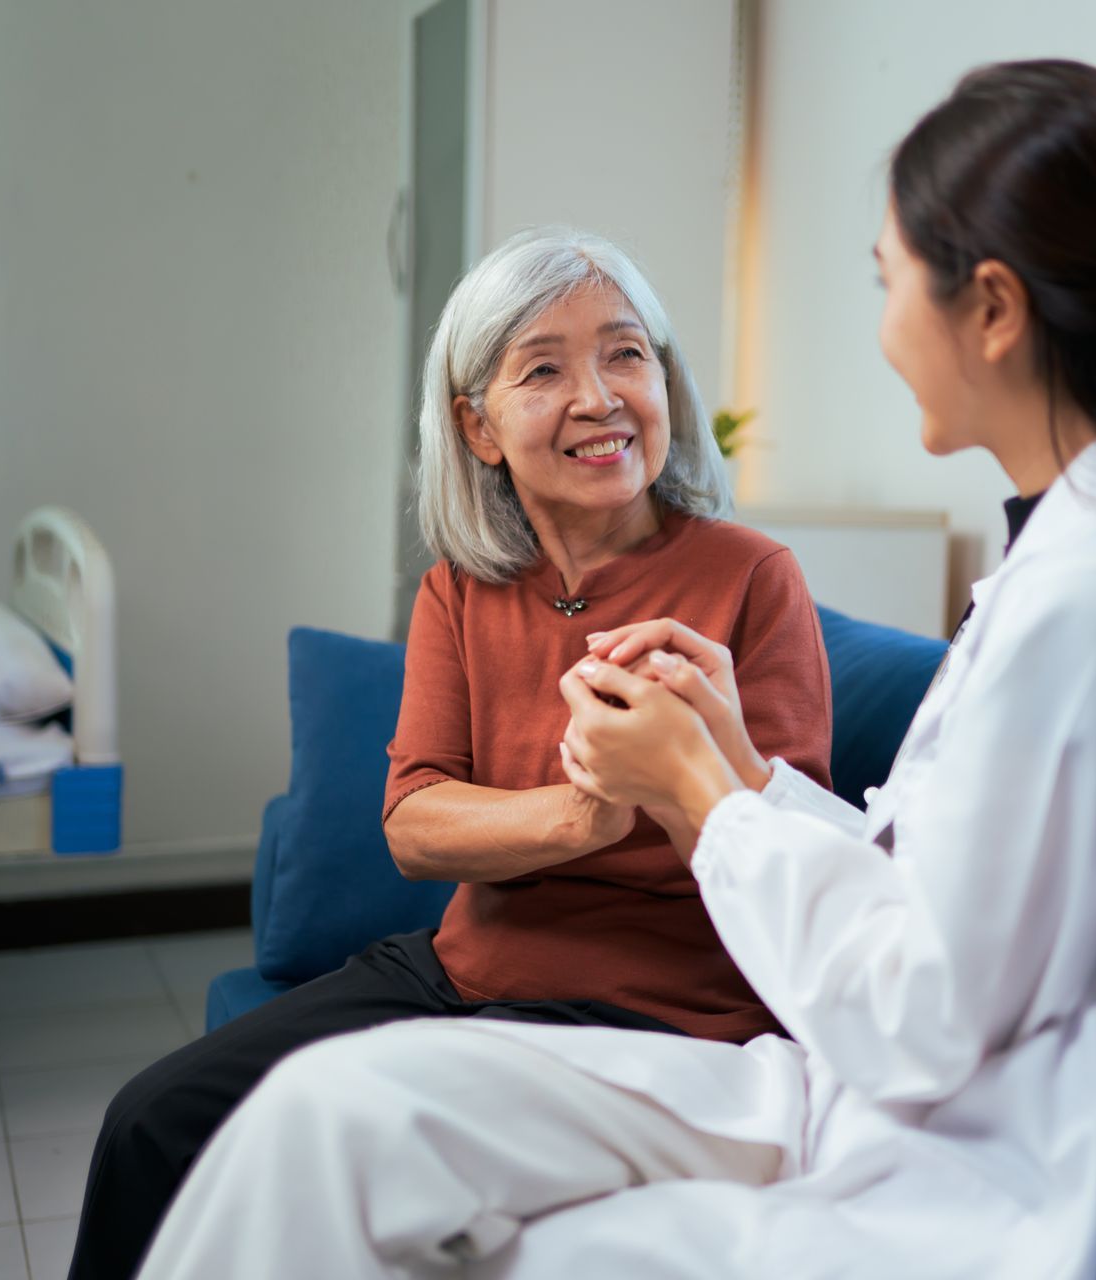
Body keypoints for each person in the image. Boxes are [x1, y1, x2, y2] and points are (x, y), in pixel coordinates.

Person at [134, 60, 1096, 1279]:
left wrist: (702, 791)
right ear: (476, 426)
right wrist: (726, 769)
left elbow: (919, 1007)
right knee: (327, 1112)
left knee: (430, 1189)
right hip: (879, 1079)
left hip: (965, 1150)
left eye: (883, 283)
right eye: (544, 370)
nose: (877, 330)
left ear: (989, 308)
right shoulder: (1091, 560)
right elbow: (942, 898)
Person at [66, 228, 832, 1279]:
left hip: (660, 1011)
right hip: (463, 971)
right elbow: (415, 822)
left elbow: (794, 845)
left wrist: (687, 770)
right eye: (544, 369)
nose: (600, 396)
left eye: (625, 354)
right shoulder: (460, 591)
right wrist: (580, 812)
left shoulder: (751, 578)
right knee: (153, 1119)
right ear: (477, 424)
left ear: (666, 382)